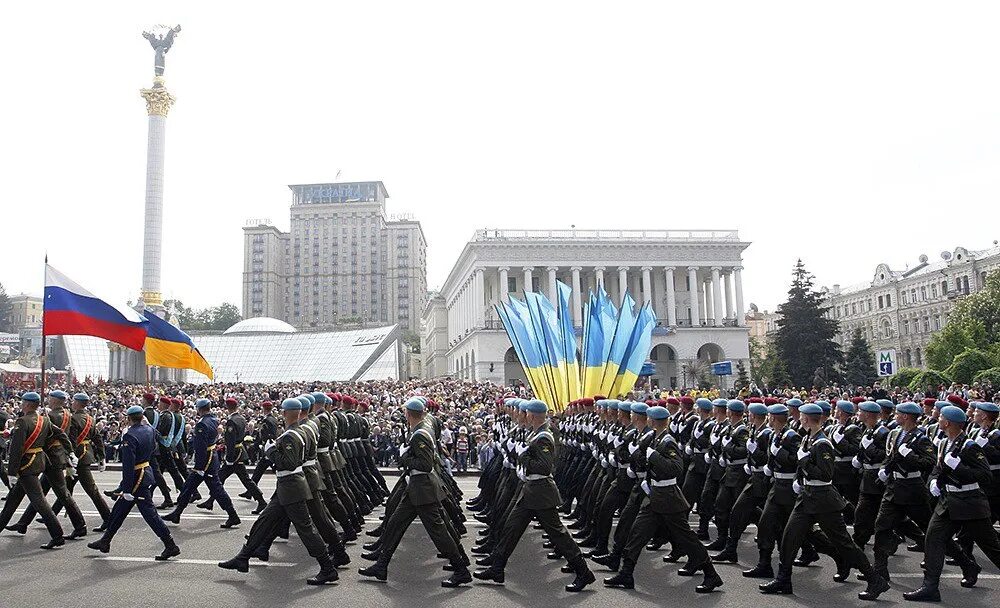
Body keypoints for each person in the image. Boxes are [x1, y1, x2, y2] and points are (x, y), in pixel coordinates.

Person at [759, 402, 889, 600]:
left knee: (845, 543)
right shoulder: (808, 439)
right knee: (789, 536)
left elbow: (826, 474)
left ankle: (874, 579)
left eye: (801, 416)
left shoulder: (822, 443)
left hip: (823, 499)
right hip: (806, 496)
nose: (799, 419)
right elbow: (803, 467)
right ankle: (783, 579)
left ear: (805, 418)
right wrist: (798, 479)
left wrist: (803, 461)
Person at [473, 398, 595, 592]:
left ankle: (583, 572)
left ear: (532, 415)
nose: (525, 417)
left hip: (540, 492)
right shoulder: (536, 434)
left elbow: (544, 467)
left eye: (527, 414)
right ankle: (497, 568)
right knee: (510, 528)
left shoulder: (543, 437)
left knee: (558, 534)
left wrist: (524, 456)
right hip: (530, 490)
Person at [603, 405, 723, 593]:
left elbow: (675, 468)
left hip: (668, 497)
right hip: (654, 495)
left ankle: (711, 574)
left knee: (687, 538)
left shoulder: (667, 441)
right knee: (637, 533)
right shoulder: (653, 437)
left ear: (651, 421)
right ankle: (626, 573)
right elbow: (644, 460)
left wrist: (654, 455)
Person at [218, 398, 338, 585]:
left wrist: (271, 451)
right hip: (289, 487)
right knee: (265, 520)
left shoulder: (290, 435)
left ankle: (328, 568)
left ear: (285, 413)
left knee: (306, 529)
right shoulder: (300, 431)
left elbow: (289, 463)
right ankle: (243, 557)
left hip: (291, 487)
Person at [359, 396, 472, 587]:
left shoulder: (420, 434)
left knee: (439, 533)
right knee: (395, 523)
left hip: (423, 489)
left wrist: (405, 458)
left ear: (408, 414)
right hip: (416, 488)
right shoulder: (419, 430)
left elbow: (426, 464)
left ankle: (461, 569)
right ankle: (381, 565)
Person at [904, 404, 1000, 602]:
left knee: (991, 547)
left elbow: (985, 475)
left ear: (947, 423)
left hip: (970, 503)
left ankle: (967, 568)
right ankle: (930, 587)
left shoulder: (969, 446)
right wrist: (933, 482)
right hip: (948, 502)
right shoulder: (944, 442)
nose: (937, 419)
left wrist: (960, 468)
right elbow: (938, 468)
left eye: (940, 418)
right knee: (933, 540)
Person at [86, 405, 180, 560]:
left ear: (129, 419)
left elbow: (128, 465)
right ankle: (105, 541)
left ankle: (170, 545)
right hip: (145, 471)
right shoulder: (149, 430)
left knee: (150, 515)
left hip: (137, 478)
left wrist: (127, 488)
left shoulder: (130, 435)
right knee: (119, 510)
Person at [0, 392, 68, 549]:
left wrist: (11, 472)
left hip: (26, 466)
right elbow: (60, 434)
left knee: (39, 502)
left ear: (28, 404)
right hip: (37, 462)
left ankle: (57, 535)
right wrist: (69, 452)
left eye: (23, 402)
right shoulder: (44, 419)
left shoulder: (23, 421)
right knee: (12, 500)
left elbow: (16, 449)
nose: (21, 405)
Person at [163, 399, 240, 528]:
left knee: (215, 489)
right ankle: (177, 513)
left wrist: (199, 466)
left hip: (205, 461)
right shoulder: (214, 419)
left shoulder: (202, 424)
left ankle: (233, 515)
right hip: (211, 457)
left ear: (200, 409)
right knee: (190, 487)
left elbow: (200, 446)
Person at [197, 397, 267, 514]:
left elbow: (230, 441)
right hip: (239, 452)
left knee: (232, 479)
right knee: (223, 478)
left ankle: (261, 501)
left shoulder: (231, 421)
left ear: (227, 407)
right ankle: (210, 501)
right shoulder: (241, 418)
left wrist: (229, 458)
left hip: (234, 455)